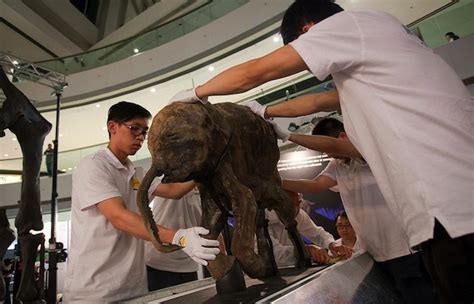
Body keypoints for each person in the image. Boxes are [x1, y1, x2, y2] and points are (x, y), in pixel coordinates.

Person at [168, 1, 473, 302]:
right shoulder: (381, 62)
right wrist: (267, 112)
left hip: (451, 208)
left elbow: (258, 71)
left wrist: (197, 93)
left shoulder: (351, 25)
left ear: (309, 30)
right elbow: (319, 103)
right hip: (451, 206)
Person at [63, 101, 219, 303]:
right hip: (94, 290)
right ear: (113, 127)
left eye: (144, 132)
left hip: (133, 287)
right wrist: (178, 237)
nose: (140, 137)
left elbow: (174, 190)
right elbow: (118, 217)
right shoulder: (93, 166)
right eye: (134, 129)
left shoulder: (137, 172)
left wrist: (207, 166)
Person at [281, 117, 437, 303]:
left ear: (342, 137)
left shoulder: (369, 152)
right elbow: (314, 185)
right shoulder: (337, 165)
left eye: (329, 149)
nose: (330, 156)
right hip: (372, 253)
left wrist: (288, 135)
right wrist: (276, 180)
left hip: (403, 251)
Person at [267, 190, 351, 266]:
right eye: (290, 205)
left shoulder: (299, 215)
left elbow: (318, 234)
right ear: (277, 204)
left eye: (298, 204)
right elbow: (273, 254)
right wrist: (307, 250)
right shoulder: (263, 218)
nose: (296, 209)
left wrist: (332, 244)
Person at [145, 187, 202, 291]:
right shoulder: (169, 183)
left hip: (188, 267)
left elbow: (209, 228)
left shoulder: (203, 195)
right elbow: (175, 191)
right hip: (158, 264)